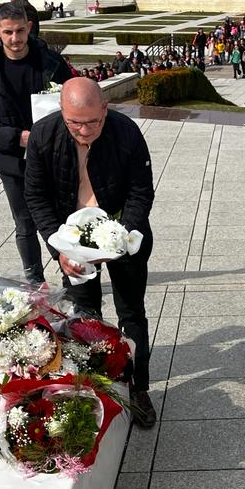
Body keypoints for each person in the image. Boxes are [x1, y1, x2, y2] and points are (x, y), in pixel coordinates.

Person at [24, 78, 157, 426]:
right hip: (72, 240)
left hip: (121, 235)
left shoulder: (126, 133)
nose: (84, 130)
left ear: (105, 109)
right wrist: (59, 250)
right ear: (62, 113)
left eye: (92, 122)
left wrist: (121, 238)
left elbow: (141, 193)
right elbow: (36, 197)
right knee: (85, 317)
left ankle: (138, 388)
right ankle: (96, 388)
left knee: (132, 313)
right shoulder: (44, 135)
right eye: (74, 123)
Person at [0, 3, 72, 284]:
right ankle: (35, 280)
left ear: (29, 28)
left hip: (50, 156)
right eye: (8, 32)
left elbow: (72, 99)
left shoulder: (50, 62)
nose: (15, 38)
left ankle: (69, 275)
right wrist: (17, 138)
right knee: (25, 223)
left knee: (57, 220)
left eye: (20, 30)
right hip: (12, 159)